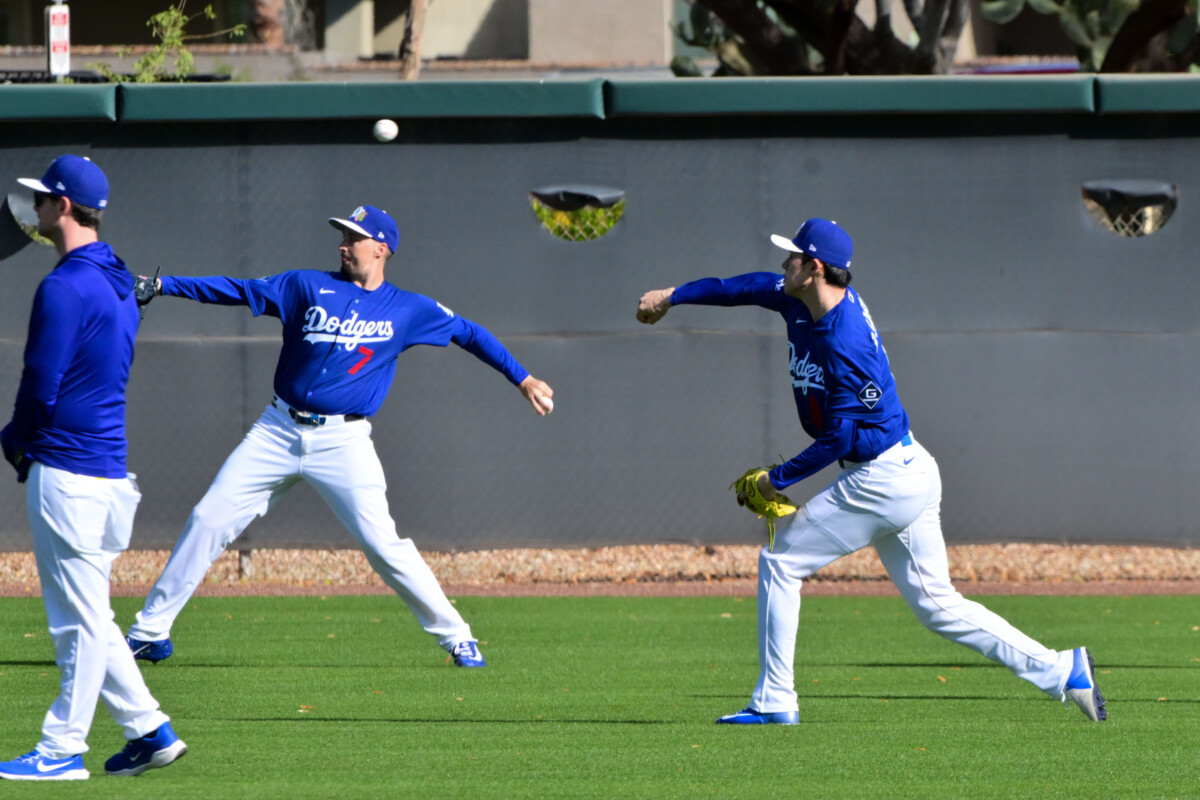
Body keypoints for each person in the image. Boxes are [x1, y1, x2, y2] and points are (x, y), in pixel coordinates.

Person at [635, 218, 1106, 725]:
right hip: (905, 466)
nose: (783, 262)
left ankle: (775, 700)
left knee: (780, 561)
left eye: (792, 256)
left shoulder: (847, 339)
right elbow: (743, 286)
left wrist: (778, 479)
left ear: (814, 268)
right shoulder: (802, 296)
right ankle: (1063, 671)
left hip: (883, 480)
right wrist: (672, 295)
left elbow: (837, 437)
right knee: (938, 607)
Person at [125, 204, 554, 669]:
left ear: (381, 247)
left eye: (354, 236)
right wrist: (166, 286)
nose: (343, 244)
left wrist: (523, 378)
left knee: (382, 545)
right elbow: (238, 289)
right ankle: (150, 632)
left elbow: (469, 333)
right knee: (208, 519)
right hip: (277, 431)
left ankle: (457, 637)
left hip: (343, 442)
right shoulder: (305, 285)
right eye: (343, 235)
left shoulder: (407, 309)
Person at [0, 156, 186, 781]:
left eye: (42, 198)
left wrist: (16, 439)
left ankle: (61, 751)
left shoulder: (64, 285)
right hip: (108, 478)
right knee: (93, 615)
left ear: (63, 208)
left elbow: (42, 381)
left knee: (76, 621)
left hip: (69, 473)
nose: (35, 208)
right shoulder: (117, 279)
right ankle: (150, 731)